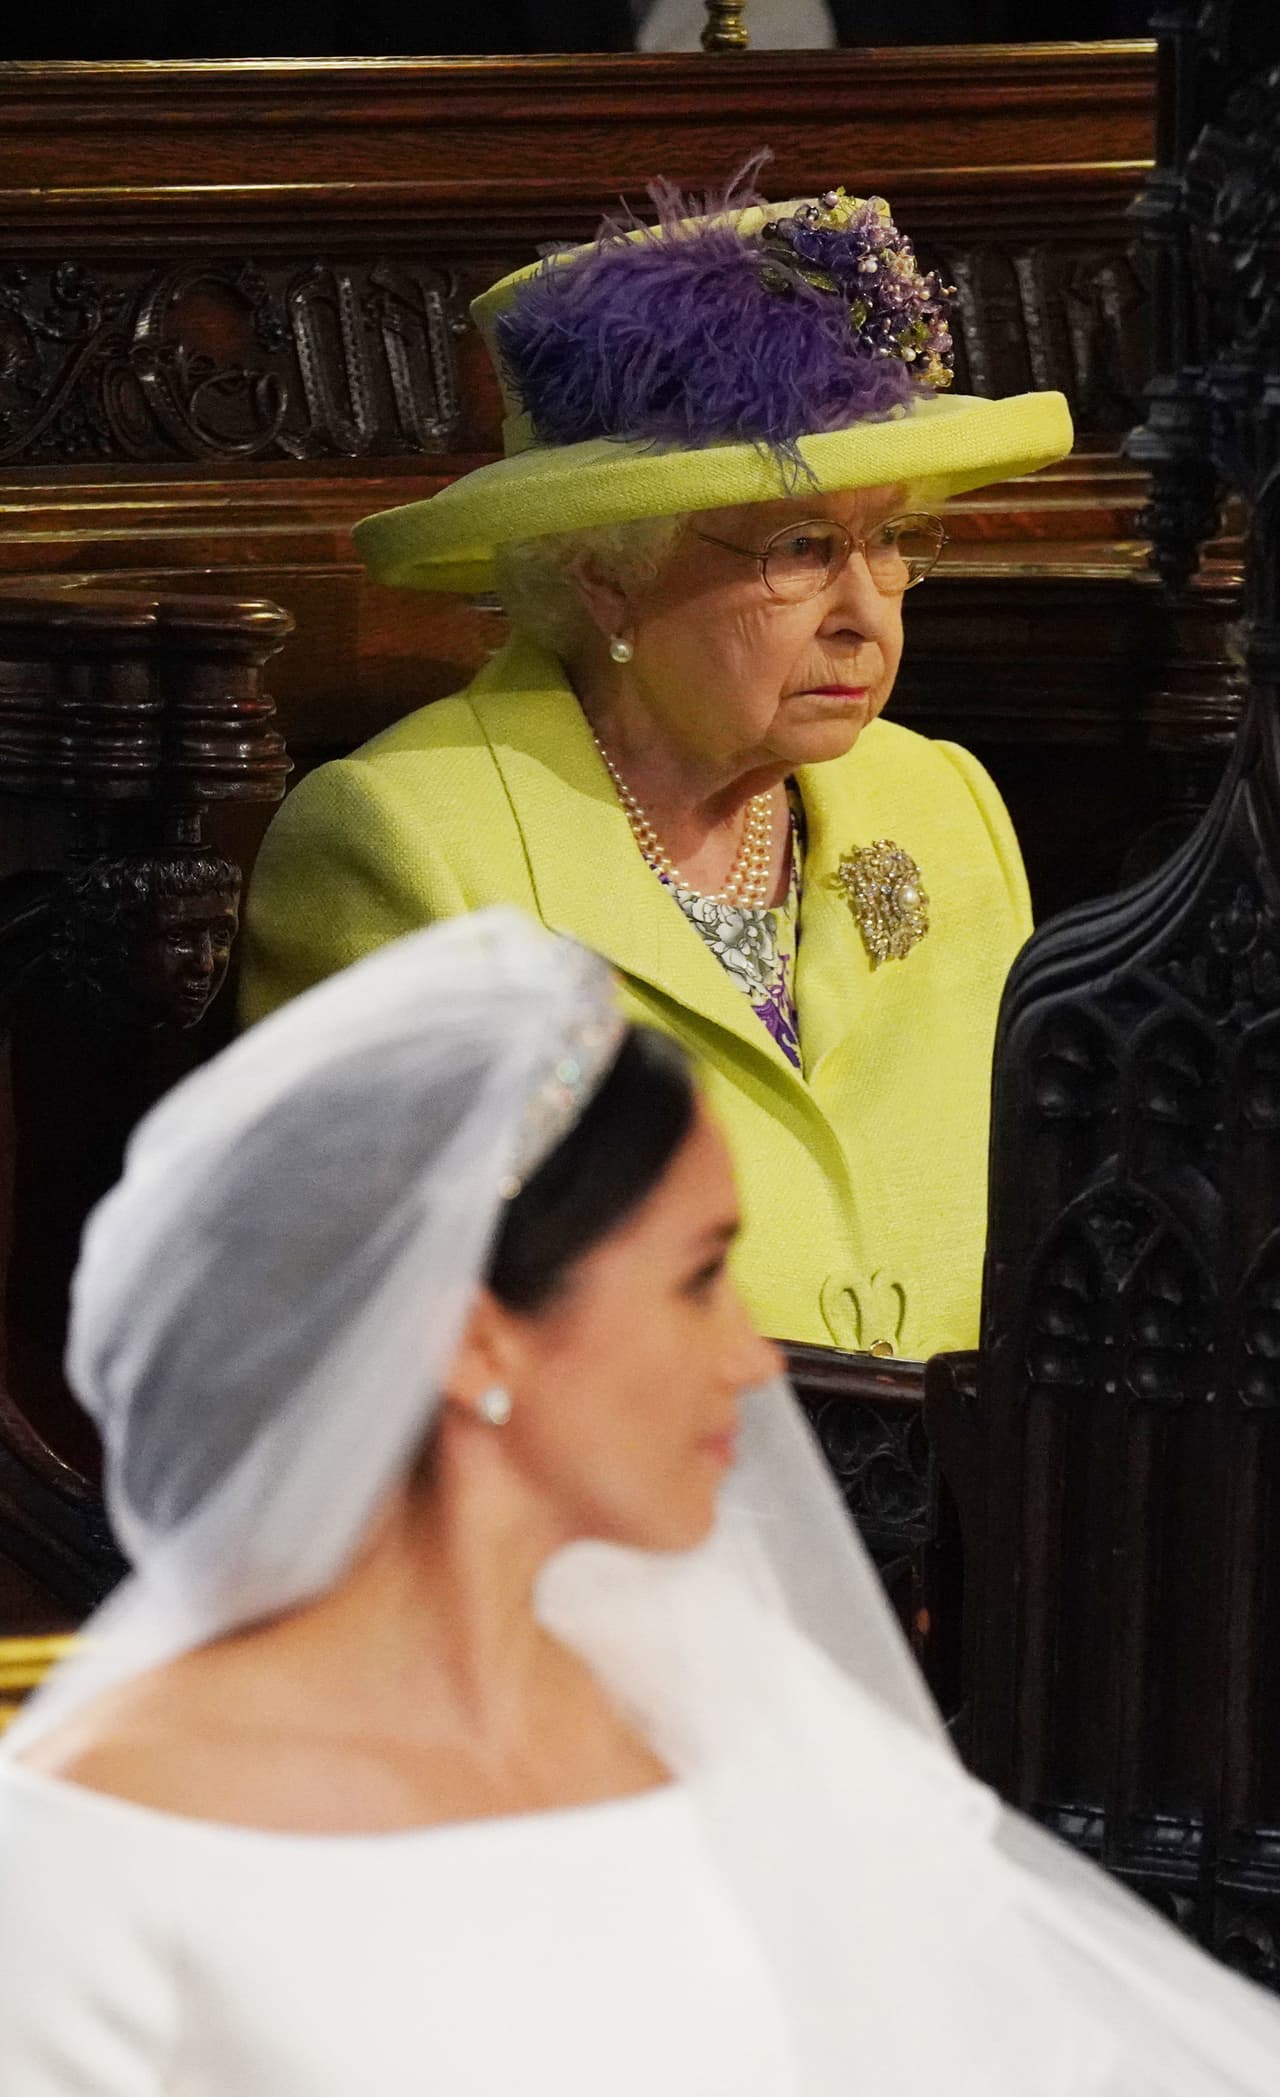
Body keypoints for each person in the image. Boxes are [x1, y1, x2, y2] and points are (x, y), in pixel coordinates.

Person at [2, 907, 1280, 2093]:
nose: (750, 1358)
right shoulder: (96, 1847)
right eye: (695, 1279)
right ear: (475, 1341)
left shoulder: (710, 1705)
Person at [240, 165, 1072, 1361]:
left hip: (972, 1519)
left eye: (890, 541)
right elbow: (374, 1336)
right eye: (799, 548)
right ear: (603, 572)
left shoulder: (939, 802)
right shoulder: (401, 844)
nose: (865, 614)